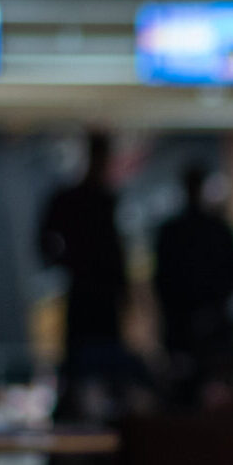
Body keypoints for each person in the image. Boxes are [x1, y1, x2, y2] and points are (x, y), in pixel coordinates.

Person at [39, 130, 145, 422]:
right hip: (88, 295)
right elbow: (46, 244)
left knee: (104, 372)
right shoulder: (78, 199)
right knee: (82, 372)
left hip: (100, 296)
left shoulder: (102, 200)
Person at [152, 164, 233, 407]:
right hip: (201, 329)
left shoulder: (176, 232)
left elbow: (162, 282)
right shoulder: (215, 230)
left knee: (191, 395)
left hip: (195, 328)